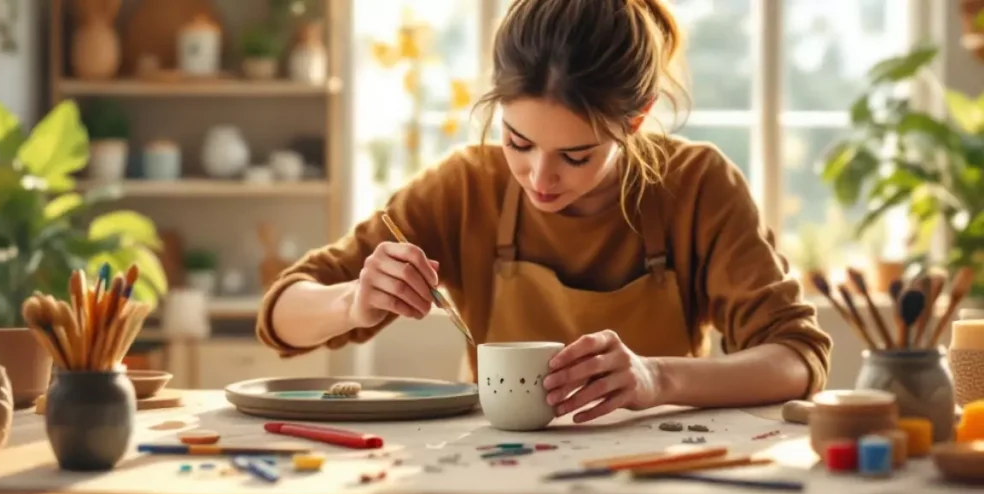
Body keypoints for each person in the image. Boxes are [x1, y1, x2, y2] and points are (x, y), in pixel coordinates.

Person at [257, 0, 832, 423]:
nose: (540, 178)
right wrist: (352, 300)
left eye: (576, 156)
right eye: (518, 142)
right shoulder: (465, 187)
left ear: (636, 120)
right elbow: (281, 314)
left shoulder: (698, 185)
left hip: (660, 471)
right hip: (492, 475)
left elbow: (797, 358)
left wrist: (657, 377)